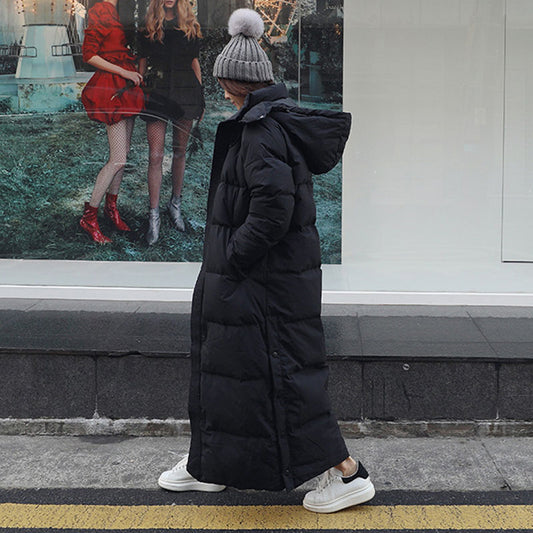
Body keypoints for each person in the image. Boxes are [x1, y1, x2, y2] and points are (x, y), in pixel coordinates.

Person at [157, 9, 375, 514]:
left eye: (223, 80)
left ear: (234, 82)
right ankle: (208, 465)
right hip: (258, 280)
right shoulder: (263, 124)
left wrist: (234, 258)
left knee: (287, 378)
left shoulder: (261, 133)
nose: (220, 88)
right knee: (228, 372)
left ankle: (347, 473)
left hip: (265, 284)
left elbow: (274, 209)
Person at [138, 0, 204, 245]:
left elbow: (194, 62)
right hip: (157, 93)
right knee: (155, 156)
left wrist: (200, 98)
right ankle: (153, 214)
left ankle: (175, 204)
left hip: (186, 93)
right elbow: (142, 63)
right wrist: (139, 91)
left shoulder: (189, 26)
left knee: (179, 152)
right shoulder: (148, 26)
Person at [79, 0, 144, 244]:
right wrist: (124, 72)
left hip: (126, 87)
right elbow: (89, 55)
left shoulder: (121, 10)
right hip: (113, 87)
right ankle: (89, 217)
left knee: (123, 155)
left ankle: (111, 208)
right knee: (118, 158)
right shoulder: (101, 10)